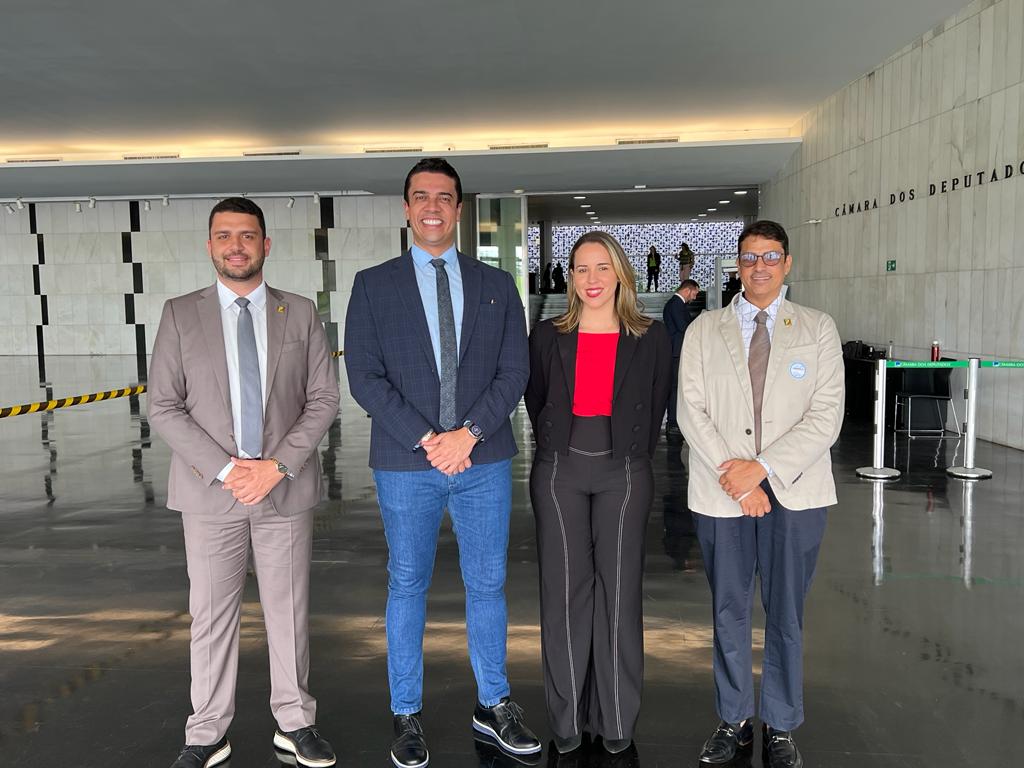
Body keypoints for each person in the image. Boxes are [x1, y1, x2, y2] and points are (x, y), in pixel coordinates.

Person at [343, 158, 541, 768]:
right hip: (406, 462)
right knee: (407, 583)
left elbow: (515, 370)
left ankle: (494, 704)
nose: (433, 206)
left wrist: (469, 434)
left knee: (488, 583)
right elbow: (364, 376)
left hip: (483, 460)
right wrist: (430, 438)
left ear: (459, 208)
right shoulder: (373, 285)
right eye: (421, 196)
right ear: (407, 208)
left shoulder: (496, 284)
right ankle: (406, 713)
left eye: (444, 197)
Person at [149, 197, 340, 768]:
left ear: (266, 244)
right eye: (224, 235)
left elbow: (323, 399)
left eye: (247, 235)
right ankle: (207, 732)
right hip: (212, 492)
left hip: (283, 489)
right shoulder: (179, 314)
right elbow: (164, 406)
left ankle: (296, 724)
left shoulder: (299, 312)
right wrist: (230, 469)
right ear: (210, 245)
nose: (236, 246)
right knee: (210, 617)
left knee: (289, 612)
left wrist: (275, 466)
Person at [679, 220, 844, 768]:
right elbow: (690, 411)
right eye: (749, 258)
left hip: (795, 492)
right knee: (728, 609)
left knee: (786, 613)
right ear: (738, 265)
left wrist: (763, 470)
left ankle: (780, 723)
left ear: (787, 263)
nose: (759, 267)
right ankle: (733, 718)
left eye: (770, 256)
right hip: (722, 491)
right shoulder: (704, 330)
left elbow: (826, 417)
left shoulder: (817, 329)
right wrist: (738, 477)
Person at [525, 231, 671, 757]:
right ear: (571, 278)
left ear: (621, 274)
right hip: (559, 472)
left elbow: (657, 403)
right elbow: (537, 399)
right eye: (582, 269)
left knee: (619, 595)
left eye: (602, 267)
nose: (592, 279)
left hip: (624, 473)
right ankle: (566, 718)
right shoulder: (547, 335)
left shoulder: (650, 336)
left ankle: (615, 718)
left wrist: (627, 457)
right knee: (564, 594)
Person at [662, 279, 700, 437]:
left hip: (675, 350)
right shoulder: (676, 304)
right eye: (694, 294)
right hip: (676, 351)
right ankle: (673, 423)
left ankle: (673, 422)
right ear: (687, 290)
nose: (695, 298)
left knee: (675, 388)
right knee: (675, 388)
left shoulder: (674, 304)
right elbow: (683, 327)